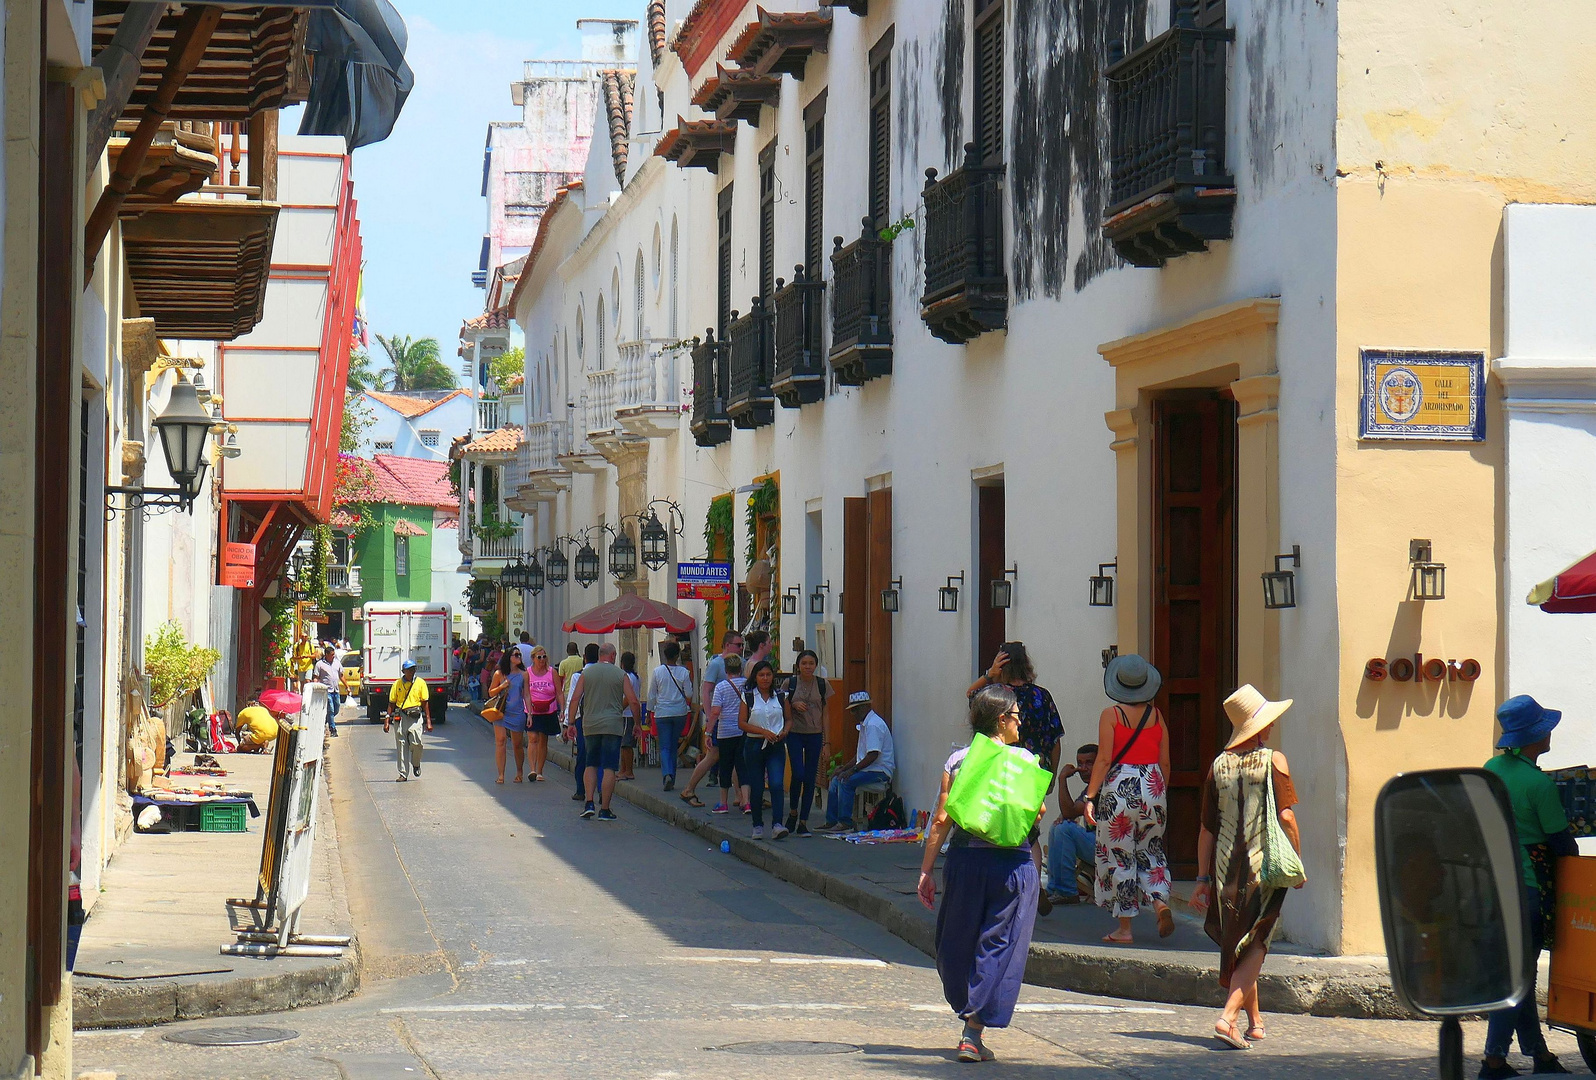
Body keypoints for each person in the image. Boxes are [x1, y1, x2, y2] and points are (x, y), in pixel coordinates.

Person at [919, 684, 1041, 1063]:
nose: (1021, 722)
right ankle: (973, 1030)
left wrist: (926, 871)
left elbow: (941, 820)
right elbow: (1034, 818)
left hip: (966, 862)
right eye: (1017, 715)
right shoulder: (1026, 762)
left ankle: (967, 1009)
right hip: (1012, 867)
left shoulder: (957, 762)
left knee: (954, 941)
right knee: (997, 943)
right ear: (1001, 720)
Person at [1188, 685, 1302, 1051]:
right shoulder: (1274, 760)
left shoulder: (1217, 766)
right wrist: (1297, 860)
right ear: (1260, 727)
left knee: (1242, 940)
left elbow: (1206, 828)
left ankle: (1255, 1021)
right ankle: (1228, 1017)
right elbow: (1286, 816)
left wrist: (1202, 878)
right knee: (1256, 944)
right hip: (1263, 868)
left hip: (1225, 871)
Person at [1476, 695, 1579, 1079]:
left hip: (1496, 886)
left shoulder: (1490, 770)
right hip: (1530, 889)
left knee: (1518, 973)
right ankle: (1494, 1060)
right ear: (1537, 735)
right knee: (1518, 978)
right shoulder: (1538, 785)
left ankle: (1540, 1055)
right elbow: (1561, 843)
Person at [968, 642, 1065, 913]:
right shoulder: (1042, 696)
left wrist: (989, 674)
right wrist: (1052, 774)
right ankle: (1030, 888)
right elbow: (1055, 740)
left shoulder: (996, 695)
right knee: (1029, 831)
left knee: (1017, 834)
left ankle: (1028, 889)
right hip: (1035, 769)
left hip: (1003, 768)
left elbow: (970, 694)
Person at [1084, 654, 1173, 943]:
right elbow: (1166, 762)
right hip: (1153, 786)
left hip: (1120, 789)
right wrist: (1159, 792)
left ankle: (1125, 929)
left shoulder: (1111, 715)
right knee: (1151, 850)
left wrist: (1091, 796)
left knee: (1120, 855)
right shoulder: (1157, 716)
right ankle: (1160, 903)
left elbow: (1105, 758)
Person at [566, 643, 638, 821]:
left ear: (599, 655)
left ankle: (589, 802)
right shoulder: (621, 675)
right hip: (613, 725)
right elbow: (633, 701)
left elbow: (575, 698)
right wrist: (637, 723)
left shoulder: (586, 673)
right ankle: (604, 809)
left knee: (591, 764)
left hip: (590, 725)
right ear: (613, 656)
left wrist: (571, 722)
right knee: (609, 767)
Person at [680, 631, 744, 809]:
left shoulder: (740, 663)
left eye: (742, 645)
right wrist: (709, 718)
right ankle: (689, 788)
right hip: (720, 720)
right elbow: (706, 691)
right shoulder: (717, 664)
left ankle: (739, 795)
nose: (741, 648)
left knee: (732, 757)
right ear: (726, 645)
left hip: (733, 721)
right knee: (713, 756)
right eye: (738, 645)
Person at [817, 692, 895, 833]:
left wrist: (852, 771)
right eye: (852, 709)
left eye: (855, 709)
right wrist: (843, 768)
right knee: (836, 779)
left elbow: (872, 755)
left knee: (846, 782)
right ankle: (831, 821)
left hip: (880, 771)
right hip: (870, 769)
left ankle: (845, 822)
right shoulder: (865, 724)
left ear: (865, 707)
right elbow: (860, 756)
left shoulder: (873, 725)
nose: (853, 713)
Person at [739, 660, 791, 840]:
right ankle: (757, 825)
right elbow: (742, 723)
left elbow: (789, 719)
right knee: (758, 786)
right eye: (761, 675)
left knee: (777, 784)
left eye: (768, 675)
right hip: (754, 745)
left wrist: (785, 731)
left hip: (775, 745)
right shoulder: (748, 696)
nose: (765, 678)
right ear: (755, 677)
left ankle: (777, 824)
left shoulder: (781, 696)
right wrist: (763, 732)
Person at [1046, 744, 1099, 905]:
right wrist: (1065, 816)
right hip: (1096, 844)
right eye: (1080, 763)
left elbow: (1070, 811)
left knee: (1064, 829)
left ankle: (1066, 891)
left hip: (1108, 849)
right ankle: (1053, 889)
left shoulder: (1102, 786)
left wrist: (1062, 779)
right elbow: (1070, 811)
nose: (1083, 768)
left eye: (1089, 763)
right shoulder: (1090, 788)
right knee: (1058, 827)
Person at [783, 649, 827, 837]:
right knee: (798, 773)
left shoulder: (822, 685)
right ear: (798, 666)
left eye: (811, 663)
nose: (808, 667)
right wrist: (792, 704)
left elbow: (827, 713)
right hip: (794, 733)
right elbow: (780, 704)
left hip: (815, 734)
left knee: (810, 777)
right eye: (804, 663)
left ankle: (803, 821)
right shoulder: (790, 683)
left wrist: (828, 742)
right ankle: (793, 811)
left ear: (816, 665)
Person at [706, 653, 749, 815]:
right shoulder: (747, 685)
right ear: (740, 668)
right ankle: (746, 801)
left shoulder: (721, 687)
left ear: (726, 670)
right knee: (742, 766)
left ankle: (723, 803)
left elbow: (715, 711)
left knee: (725, 766)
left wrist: (708, 732)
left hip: (726, 732)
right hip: (744, 730)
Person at [648, 640, 694, 792]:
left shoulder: (657, 672)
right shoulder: (684, 672)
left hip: (662, 713)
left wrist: (650, 711)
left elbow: (652, 694)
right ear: (677, 656)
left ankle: (667, 774)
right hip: (680, 713)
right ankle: (672, 777)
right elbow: (688, 694)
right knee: (674, 745)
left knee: (665, 746)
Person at [488, 648, 532, 784]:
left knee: (517, 744)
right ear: (509, 657)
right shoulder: (499, 674)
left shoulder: (524, 674)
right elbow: (491, 692)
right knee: (500, 741)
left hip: (517, 711)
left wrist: (529, 713)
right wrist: (502, 686)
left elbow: (526, 694)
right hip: (501, 711)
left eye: (520, 655)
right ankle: (501, 774)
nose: (519, 657)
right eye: (516, 655)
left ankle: (519, 771)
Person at [564, 643, 601, 801]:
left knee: (583, 756)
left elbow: (573, 699)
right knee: (600, 756)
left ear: (584, 658)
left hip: (582, 720)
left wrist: (568, 723)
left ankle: (581, 790)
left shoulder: (578, 676)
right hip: (601, 718)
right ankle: (601, 790)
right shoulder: (604, 674)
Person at [385, 659, 432, 781]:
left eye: (413, 669)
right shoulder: (397, 684)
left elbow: (425, 703)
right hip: (401, 715)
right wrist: (386, 719)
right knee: (401, 744)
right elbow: (391, 703)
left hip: (415, 716)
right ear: (403, 671)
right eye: (409, 670)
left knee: (417, 743)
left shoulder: (420, 683)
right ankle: (403, 773)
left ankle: (416, 763)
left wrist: (428, 721)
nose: (411, 672)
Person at [525, 646, 562, 782]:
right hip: (532, 709)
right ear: (533, 659)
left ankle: (540, 771)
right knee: (533, 737)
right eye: (539, 657)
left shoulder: (552, 672)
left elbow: (559, 692)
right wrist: (528, 712)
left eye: (544, 657)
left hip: (548, 709)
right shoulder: (528, 673)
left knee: (543, 740)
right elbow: (526, 694)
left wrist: (563, 709)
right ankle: (532, 769)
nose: (542, 660)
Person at [618, 651, 641, 781]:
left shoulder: (627, 677)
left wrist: (618, 708)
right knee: (623, 743)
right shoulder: (635, 677)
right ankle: (623, 769)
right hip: (628, 713)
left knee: (626, 744)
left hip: (627, 713)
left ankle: (628, 770)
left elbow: (628, 698)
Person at [311, 645, 342, 738]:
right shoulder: (319, 664)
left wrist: (347, 686)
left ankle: (323, 721)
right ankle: (333, 729)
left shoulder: (337, 663)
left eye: (334, 654)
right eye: (332, 654)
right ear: (326, 655)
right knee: (331, 709)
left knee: (336, 708)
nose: (333, 656)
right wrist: (315, 687)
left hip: (335, 690)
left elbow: (341, 675)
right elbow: (316, 677)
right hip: (326, 691)